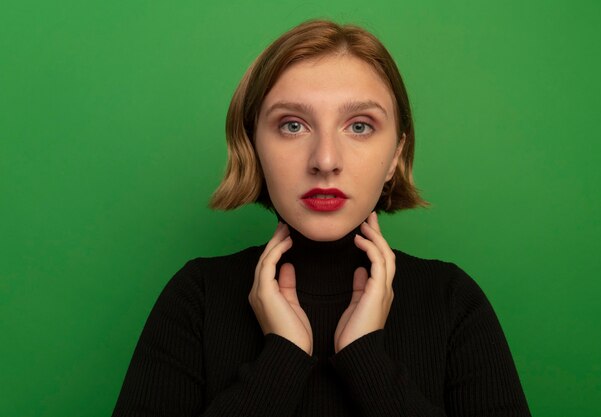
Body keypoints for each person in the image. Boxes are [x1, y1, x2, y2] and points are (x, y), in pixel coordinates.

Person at [112, 19, 531, 417]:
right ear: (253, 144)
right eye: (293, 125)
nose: (325, 160)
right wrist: (283, 358)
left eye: (360, 126)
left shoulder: (453, 302)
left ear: (395, 156)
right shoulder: (196, 298)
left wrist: (366, 358)